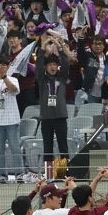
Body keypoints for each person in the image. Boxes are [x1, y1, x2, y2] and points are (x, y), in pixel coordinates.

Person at [37, 34, 74, 168]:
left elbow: (65, 63)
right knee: (47, 146)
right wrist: (43, 46)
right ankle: (49, 173)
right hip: (46, 118)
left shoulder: (62, 78)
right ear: (46, 67)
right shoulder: (42, 79)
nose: (52, 67)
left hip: (60, 117)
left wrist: (60, 46)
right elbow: (38, 64)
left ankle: (65, 172)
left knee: (63, 145)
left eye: (54, 64)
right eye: (49, 65)